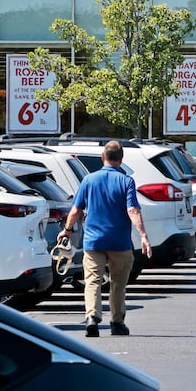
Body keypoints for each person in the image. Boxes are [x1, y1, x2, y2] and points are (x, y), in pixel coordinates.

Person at [60, 140, 151, 336]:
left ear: (103, 158)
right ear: (121, 159)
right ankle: (117, 322)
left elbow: (76, 210)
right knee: (118, 283)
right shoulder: (126, 181)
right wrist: (143, 236)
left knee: (92, 280)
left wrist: (67, 230)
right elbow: (133, 210)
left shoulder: (89, 180)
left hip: (93, 241)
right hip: (120, 242)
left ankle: (92, 317)